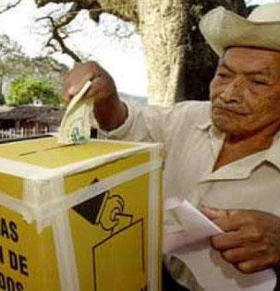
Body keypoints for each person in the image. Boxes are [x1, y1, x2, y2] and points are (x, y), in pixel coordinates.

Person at [62, 4, 280, 291]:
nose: (227, 94)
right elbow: (128, 123)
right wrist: (106, 99)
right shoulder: (189, 117)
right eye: (224, 75)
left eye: (257, 82)